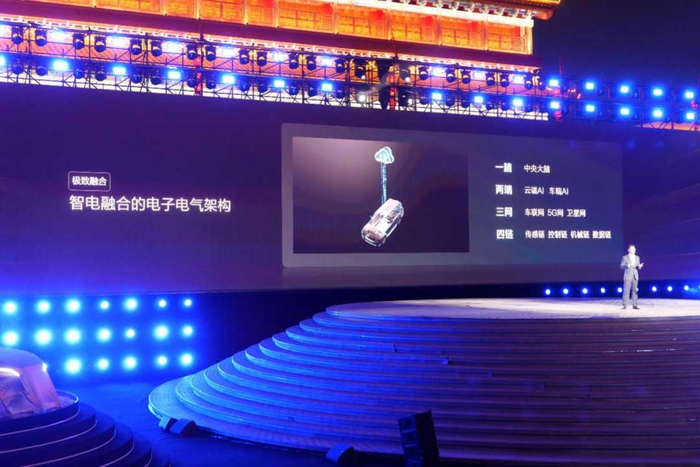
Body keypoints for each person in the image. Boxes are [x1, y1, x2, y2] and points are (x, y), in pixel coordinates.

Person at [620, 244, 643, 310]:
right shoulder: (625, 257)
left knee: (634, 291)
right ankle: (625, 305)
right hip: (628, 276)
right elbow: (621, 266)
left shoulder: (637, 257)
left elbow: (637, 266)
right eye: (632, 249)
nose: (633, 250)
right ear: (628, 250)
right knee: (626, 291)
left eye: (634, 249)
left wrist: (639, 266)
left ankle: (635, 305)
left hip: (635, 276)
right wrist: (627, 265)